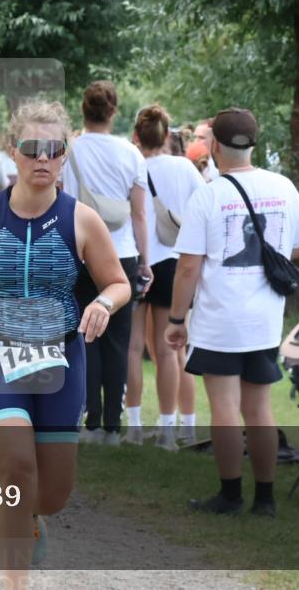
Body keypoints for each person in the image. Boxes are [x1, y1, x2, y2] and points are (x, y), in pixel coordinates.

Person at [0, 101, 130, 583]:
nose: (43, 158)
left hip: (59, 355)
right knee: (15, 470)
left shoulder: (82, 220)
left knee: (50, 494)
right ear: (14, 152)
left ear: (65, 154)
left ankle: (30, 517)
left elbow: (118, 282)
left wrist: (102, 304)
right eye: (32, 148)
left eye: (54, 149)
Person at [165, 107, 299, 517]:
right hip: (265, 320)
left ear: (213, 146)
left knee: (227, 409)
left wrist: (177, 320)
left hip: (220, 320)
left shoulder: (209, 194)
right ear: (253, 144)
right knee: (260, 409)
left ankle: (230, 496)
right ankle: (265, 500)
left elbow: (189, 266)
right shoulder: (283, 186)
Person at [61, 80, 153, 446]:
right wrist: (145, 262)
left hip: (79, 251)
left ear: (82, 110)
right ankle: (114, 424)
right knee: (117, 340)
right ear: (113, 112)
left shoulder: (69, 151)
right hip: (122, 254)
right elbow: (140, 214)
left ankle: (91, 419)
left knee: (85, 336)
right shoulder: (131, 154)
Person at [124, 104, 203, 448]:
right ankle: (172, 427)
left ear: (136, 136)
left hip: (137, 259)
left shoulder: (131, 165)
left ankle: (135, 424)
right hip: (173, 261)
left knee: (132, 346)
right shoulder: (185, 168)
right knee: (170, 349)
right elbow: (204, 204)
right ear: (167, 135)